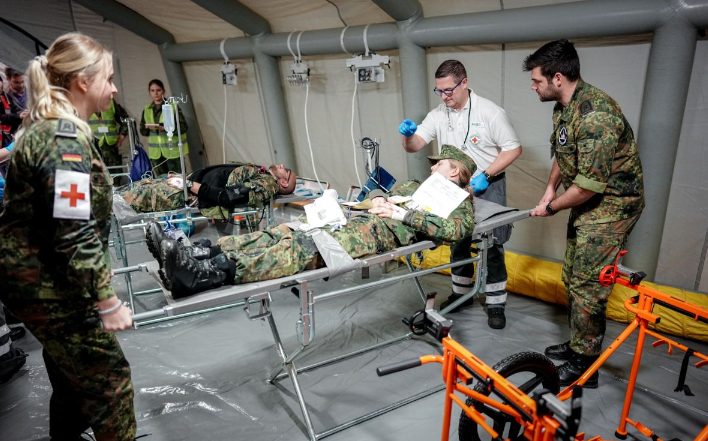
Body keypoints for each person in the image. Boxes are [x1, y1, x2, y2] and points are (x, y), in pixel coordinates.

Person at [0, 33, 136, 439]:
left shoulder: (56, 130)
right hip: (48, 287)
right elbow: (74, 229)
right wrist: (107, 301)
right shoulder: (64, 141)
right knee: (109, 383)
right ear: (82, 81)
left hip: (41, 279)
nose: (114, 89)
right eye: (108, 78)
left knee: (70, 375)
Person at [149, 145, 476, 299]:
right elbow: (382, 197)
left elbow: (457, 231)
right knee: (279, 233)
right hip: (352, 220)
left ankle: (202, 275)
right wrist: (378, 200)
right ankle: (197, 254)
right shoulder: (413, 186)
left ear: (455, 172)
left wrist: (403, 214)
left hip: (371, 235)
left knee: (297, 251)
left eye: (439, 164)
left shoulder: (458, 203)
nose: (432, 168)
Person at [523, 39, 644, 388]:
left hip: (612, 206)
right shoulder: (565, 106)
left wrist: (551, 207)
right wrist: (550, 189)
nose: (533, 87)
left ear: (557, 78)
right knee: (572, 276)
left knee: (588, 285)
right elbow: (564, 153)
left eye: (537, 81)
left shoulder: (596, 116)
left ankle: (585, 365)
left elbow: (590, 186)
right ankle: (580, 342)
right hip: (588, 201)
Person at [399, 59, 522, 329]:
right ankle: (461, 293)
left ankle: (495, 302)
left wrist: (486, 175)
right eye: (439, 91)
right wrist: (407, 136)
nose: (444, 96)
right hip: (452, 187)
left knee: (492, 242)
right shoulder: (438, 114)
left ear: (464, 83)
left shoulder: (490, 112)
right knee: (457, 238)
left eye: (449, 90)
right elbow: (415, 145)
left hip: (487, 182)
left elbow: (513, 148)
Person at [119, 162, 296, 214]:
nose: (281, 165)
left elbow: (227, 196)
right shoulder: (262, 174)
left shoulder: (266, 184)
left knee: (127, 199)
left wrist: (188, 185)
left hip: (185, 194)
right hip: (183, 185)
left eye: (285, 170)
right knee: (134, 189)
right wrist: (186, 179)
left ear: (284, 183)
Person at [140, 79, 188, 177]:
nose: (155, 93)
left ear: (163, 91)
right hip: (156, 154)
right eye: (152, 90)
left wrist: (166, 128)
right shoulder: (147, 109)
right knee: (161, 181)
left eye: (158, 90)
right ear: (149, 92)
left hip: (172, 151)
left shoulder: (172, 106)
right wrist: (148, 127)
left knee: (177, 179)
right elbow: (143, 131)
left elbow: (183, 127)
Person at [89, 97, 129, 167]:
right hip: (94, 149)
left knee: (115, 172)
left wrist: (122, 136)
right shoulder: (84, 102)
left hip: (112, 150)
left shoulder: (110, 102)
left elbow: (126, 120)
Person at [1, 75, 26, 147]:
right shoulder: (7, 95)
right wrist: (18, 116)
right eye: (16, 82)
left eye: (22, 82)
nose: (21, 85)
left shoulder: (6, 97)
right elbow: (2, 118)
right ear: (8, 79)